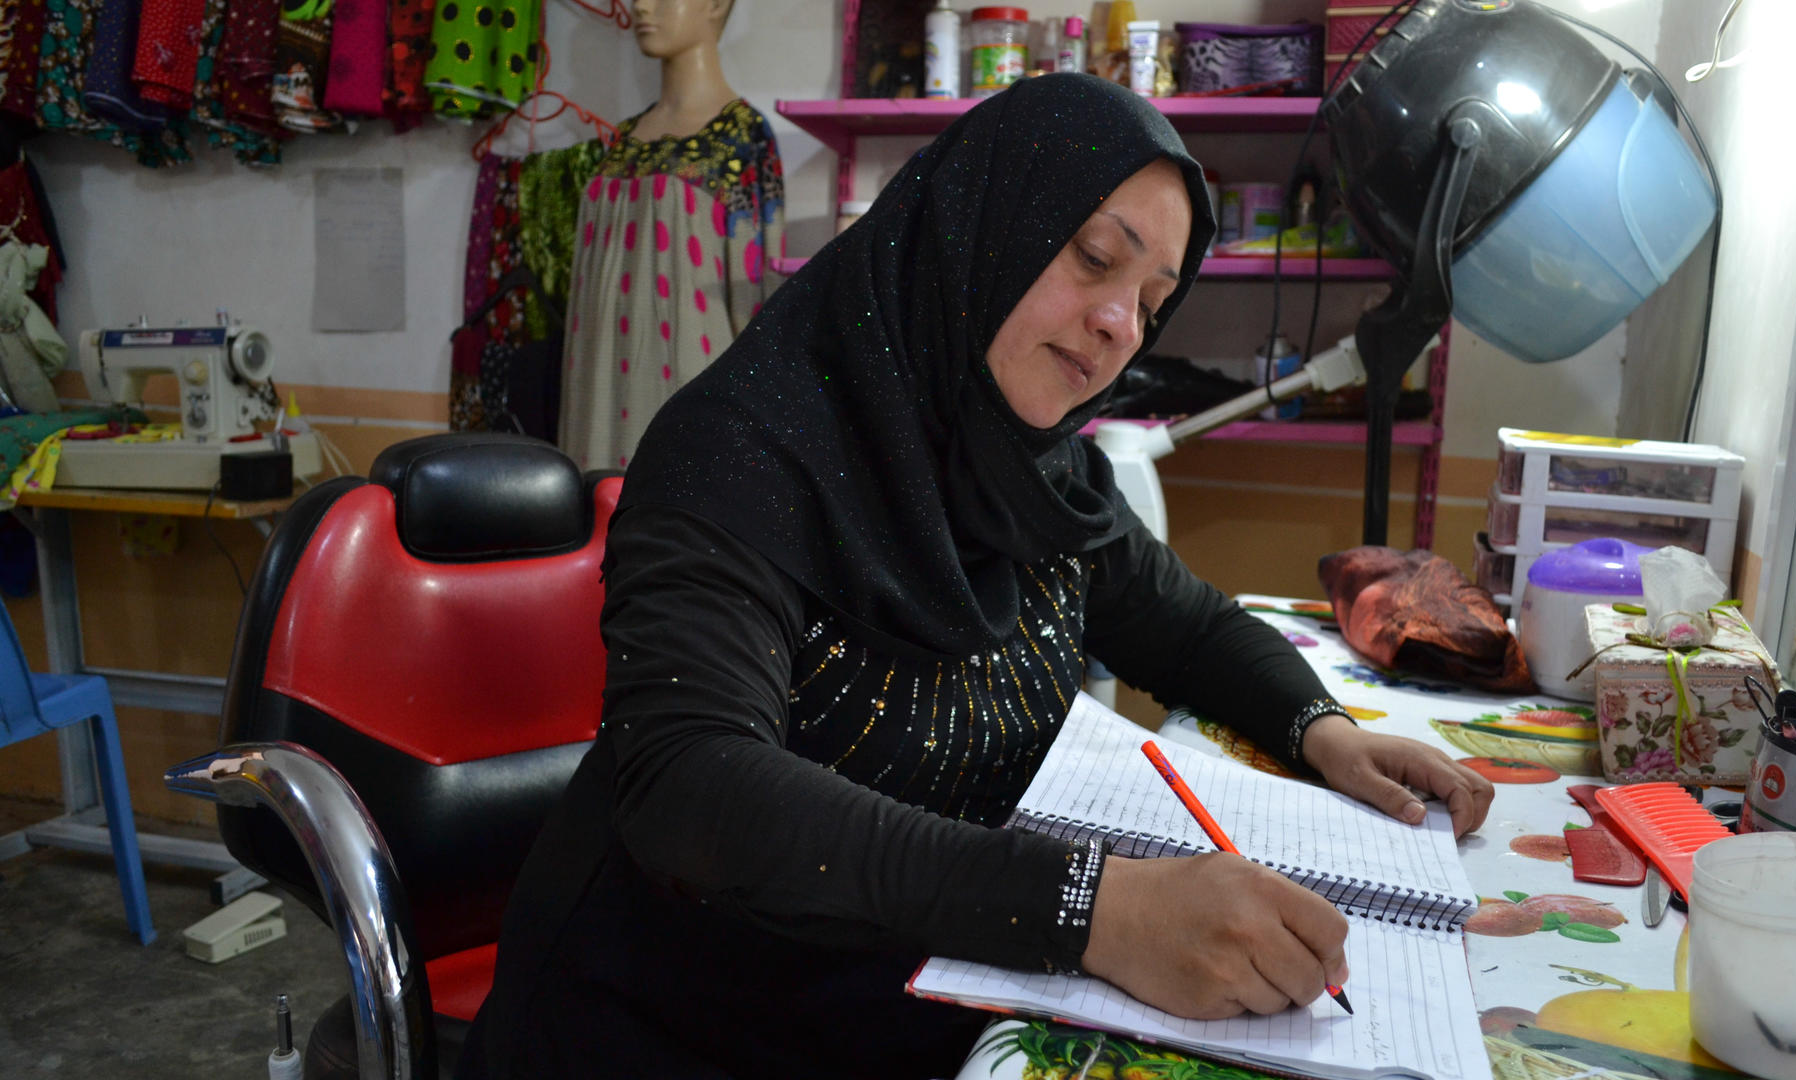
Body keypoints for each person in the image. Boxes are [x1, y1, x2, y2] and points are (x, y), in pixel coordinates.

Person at [460, 72, 1493, 1080]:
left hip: (916, 1010)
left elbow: (1185, 627)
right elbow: (691, 786)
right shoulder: (739, 453)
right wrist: (1094, 907)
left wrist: (1325, 732)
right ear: (973, 230)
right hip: (678, 1029)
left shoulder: (1038, 466)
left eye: (1151, 299)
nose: (1121, 324)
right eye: (1095, 259)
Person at [556, 0, 785, 470]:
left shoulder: (742, 138)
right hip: (591, 404)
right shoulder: (620, 142)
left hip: (685, 411)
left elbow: (760, 308)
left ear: (715, 4)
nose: (642, 5)